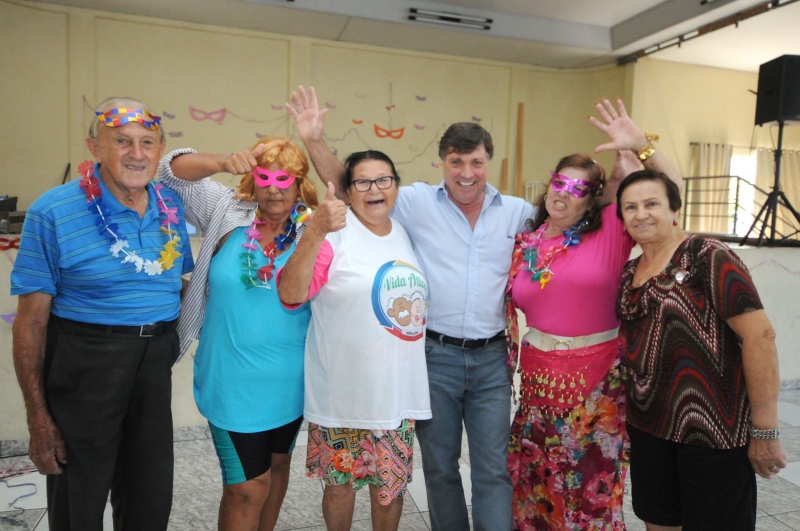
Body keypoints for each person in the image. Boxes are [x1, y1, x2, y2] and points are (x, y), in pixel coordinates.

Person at [287, 86, 531, 531]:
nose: (466, 172)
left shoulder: (516, 212)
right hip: (433, 358)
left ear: (488, 163)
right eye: (456, 161)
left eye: (476, 161)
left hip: (490, 359)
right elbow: (353, 184)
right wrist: (314, 141)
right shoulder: (415, 203)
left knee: (492, 469)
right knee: (437, 468)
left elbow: (569, 221)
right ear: (443, 163)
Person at [10, 97, 194, 530]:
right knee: (81, 494)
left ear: (160, 147)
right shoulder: (52, 211)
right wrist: (38, 420)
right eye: (122, 141)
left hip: (154, 360)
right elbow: (32, 321)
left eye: (147, 142)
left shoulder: (170, 205)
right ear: (95, 147)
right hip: (85, 359)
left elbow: (175, 284)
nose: (137, 153)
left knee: (150, 491)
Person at [505, 98, 682, 530]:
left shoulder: (610, 229)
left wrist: (642, 146)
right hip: (537, 387)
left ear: (593, 201)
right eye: (560, 183)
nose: (565, 194)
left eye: (579, 189)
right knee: (537, 490)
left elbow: (670, 189)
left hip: (597, 388)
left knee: (589, 494)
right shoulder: (527, 241)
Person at [157, 137, 319, 530]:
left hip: (292, 381)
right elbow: (169, 173)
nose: (274, 187)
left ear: (299, 183)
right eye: (264, 177)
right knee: (246, 488)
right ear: (252, 179)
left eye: (284, 178)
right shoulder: (227, 210)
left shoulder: (313, 227)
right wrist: (224, 160)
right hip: (231, 381)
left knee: (278, 470)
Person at [615, 169, 786, 531]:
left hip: (712, 430)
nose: (641, 213)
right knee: (658, 521)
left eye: (651, 204)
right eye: (630, 207)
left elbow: (760, 337)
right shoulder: (630, 271)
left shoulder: (706, 255)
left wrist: (765, 430)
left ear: (674, 210)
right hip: (650, 428)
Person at [278, 150, 432, 531]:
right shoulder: (334, 236)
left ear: (396, 185)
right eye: (362, 181)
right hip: (342, 396)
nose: (374, 189)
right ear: (349, 191)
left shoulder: (404, 233)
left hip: (396, 395)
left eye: (384, 179)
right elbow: (292, 294)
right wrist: (315, 229)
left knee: (390, 490)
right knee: (340, 490)